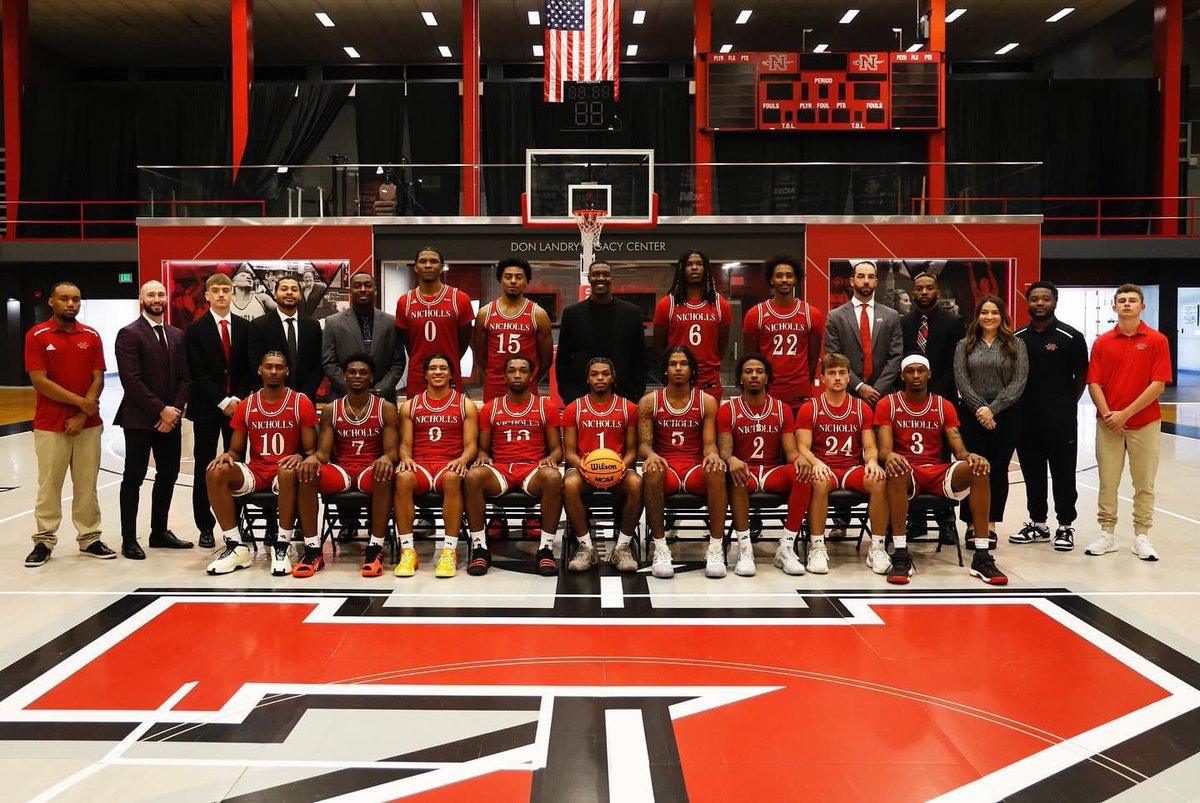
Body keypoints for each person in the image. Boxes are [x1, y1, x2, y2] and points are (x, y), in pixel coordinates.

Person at [876, 355, 1007, 585]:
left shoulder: (943, 405)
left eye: (920, 371)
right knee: (894, 469)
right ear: (902, 375)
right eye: (910, 371)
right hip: (907, 472)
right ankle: (900, 554)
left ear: (929, 374)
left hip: (937, 471)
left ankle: (982, 556)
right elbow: (885, 450)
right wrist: (891, 456)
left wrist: (971, 457)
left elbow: (960, 451)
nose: (915, 376)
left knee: (979, 469)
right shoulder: (888, 404)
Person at [23, 281, 116, 567]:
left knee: (87, 485)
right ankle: (44, 540)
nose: (71, 304)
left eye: (75, 299)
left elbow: (98, 377)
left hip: (88, 425)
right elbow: (40, 381)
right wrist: (81, 404)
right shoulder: (36, 335)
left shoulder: (91, 335)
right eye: (64, 299)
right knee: (49, 485)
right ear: (52, 302)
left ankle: (89, 538)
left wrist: (83, 415)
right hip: (51, 426)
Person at [203, 352, 319, 576]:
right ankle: (236, 547)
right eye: (268, 367)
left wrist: (300, 456)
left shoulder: (300, 402)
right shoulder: (247, 404)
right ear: (260, 370)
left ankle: (282, 545)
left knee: (286, 471)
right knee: (216, 471)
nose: (273, 372)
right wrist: (226, 457)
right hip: (256, 470)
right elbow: (235, 451)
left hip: (285, 472)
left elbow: (311, 451)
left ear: (287, 371)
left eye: (279, 367)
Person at [1084, 284, 1171, 562]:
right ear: (1114, 307)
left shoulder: (1157, 340)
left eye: (1132, 300)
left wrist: (1125, 414)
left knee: (1144, 482)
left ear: (1142, 307)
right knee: (1107, 481)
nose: (1127, 304)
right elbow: (1093, 382)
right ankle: (1106, 533)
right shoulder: (1102, 342)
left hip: (1144, 423)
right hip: (1108, 424)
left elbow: (1157, 385)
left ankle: (1142, 535)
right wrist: (1110, 414)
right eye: (1121, 300)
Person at [299, 354, 399, 578]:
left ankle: (375, 548)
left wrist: (387, 458)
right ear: (344, 376)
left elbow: (392, 452)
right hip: (342, 469)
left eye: (363, 372)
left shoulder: (386, 408)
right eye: (352, 372)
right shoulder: (331, 410)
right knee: (306, 474)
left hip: (370, 469)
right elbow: (324, 453)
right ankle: (312, 549)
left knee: (384, 474)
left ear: (371, 377)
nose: (357, 376)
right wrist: (313, 458)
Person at [114, 280, 192, 560]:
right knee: (133, 478)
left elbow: (185, 377)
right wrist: (161, 410)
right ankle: (128, 539)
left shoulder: (177, 335)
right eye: (151, 294)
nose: (157, 299)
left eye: (160, 294)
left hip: (170, 420)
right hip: (139, 420)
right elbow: (131, 380)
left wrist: (174, 411)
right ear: (141, 299)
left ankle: (159, 532)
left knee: (168, 475)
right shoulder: (129, 334)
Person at [465, 356, 563, 577]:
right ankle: (480, 548)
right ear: (504, 375)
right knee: (472, 477)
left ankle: (545, 549)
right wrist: (481, 456)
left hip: (532, 469)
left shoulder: (545, 407)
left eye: (522, 371)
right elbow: (483, 449)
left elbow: (557, 450)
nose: (517, 375)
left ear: (531, 376)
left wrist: (551, 459)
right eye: (512, 370)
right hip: (501, 468)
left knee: (553, 477)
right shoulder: (491, 408)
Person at [794, 353, 891, 576]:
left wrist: (873, 462)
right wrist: (816, 462)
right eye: (832, 373)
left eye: (842, 373)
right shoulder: (810, 408)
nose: (837, 378)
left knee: (878, 479)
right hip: (824, 466)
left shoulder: (861, 408)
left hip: (851, 468)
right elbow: (802, 446)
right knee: (817, 481)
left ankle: (876, 547)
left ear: (849, 378)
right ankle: (817, 546)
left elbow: (870, 446)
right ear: (823, 378)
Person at [638, 346, 728, 579]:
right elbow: (644, 445)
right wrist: (651, 455)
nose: (678, 368)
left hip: (694, 466)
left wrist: (713, 454)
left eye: (684, 364)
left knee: (717, 470)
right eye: (673, 364)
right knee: (651, 472)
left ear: (692, 369)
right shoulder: (649, 402)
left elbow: (709, 444)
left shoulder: (706, 401)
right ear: (665, 370)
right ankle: (660, 547)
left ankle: (716, 548)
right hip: (665, 466)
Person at [1013, 281, 1089, 551]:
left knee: (1063, 474)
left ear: (1055, 302)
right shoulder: (1018, 337)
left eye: (1045, 299)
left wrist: (1067, 404)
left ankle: (1065, 525)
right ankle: (1038, 523)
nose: (1040, 304)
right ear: (1028, 302)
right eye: (1035, 299)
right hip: (1026, 420)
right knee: (1032, 473)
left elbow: (1081, 376)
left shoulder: (1071, 337)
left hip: (1061, 421)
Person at [718, 354, 807, 577]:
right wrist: (730, 460)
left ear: (767, 377)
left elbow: (791, 452)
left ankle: (786, 546)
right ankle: (745, 548)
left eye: (759, 371)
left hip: (771, 471)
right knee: (735, 476)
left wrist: (800, 461)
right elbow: (725, 452)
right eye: (748, 372)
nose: (754, 375)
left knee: (804, 474)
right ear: (740, 378)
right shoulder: (728, 409)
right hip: (744, 470)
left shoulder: (782, 409)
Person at [953, 295, 1028, 546]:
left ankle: (991, 524)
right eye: (984, 312)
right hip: (972, 415)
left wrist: (993, 410)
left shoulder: (1016, 345)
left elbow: (1018, 383)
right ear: (977, 316)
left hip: (1006, 416)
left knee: (996, 470)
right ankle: (972, 524)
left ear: (1002, 316)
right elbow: (962, 381)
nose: (989, 317)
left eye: (994, 312)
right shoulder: (964, 345)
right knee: (972, 468)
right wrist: (981, 410)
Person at [394, 354, 478, 578]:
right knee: (402, 478)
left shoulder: (465, 404)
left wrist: (462, 460)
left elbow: (471, 445)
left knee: (452, 479)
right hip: (420, 464)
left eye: (443, 368)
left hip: (448, 463)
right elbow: (404, 444)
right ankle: (408, 550)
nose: (438, 372)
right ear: (425, 374)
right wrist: (405, 458)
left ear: (451, 374)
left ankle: (449, 550)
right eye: (432, 368)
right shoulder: (410, 406)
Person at [185, 272, 253, 549]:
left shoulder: (245, 328)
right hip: (207, 409)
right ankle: (204, 525)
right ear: (208, 296)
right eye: (217, 291)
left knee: (235, 465)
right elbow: (196, 372)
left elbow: (250, 369)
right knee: (205, 466)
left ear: (233, 294)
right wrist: (222, 401)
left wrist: (236, 399)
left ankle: (235, 524)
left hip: (238, 408)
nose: (222, 295)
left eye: (227, 290)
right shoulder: (196, 330)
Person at [561, 357, 642, 572]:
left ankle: (623, 546)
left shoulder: (629, 408)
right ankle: (585, 547)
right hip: (584, 471)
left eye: (605, 373)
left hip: (618, 471)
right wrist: (584, 467)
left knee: (637, 483)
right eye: (594, 374)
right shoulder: (573, 409)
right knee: (569, 484)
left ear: (613, 378)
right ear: (587, 379)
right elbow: (568, 452)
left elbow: (633, 450)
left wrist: (622, 466)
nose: (600, 378)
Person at [555, 261, 648, 405]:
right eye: (596, 274)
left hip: (624, 395)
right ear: (589, 278)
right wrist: (567, 394)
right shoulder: (572, 314)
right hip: (580, 395)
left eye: (605, 274)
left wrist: (636, 392)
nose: (600, 278)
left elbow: (640, 358)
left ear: (612, 278)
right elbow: (563, 359)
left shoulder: (631, 313)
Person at [741, 255, 825, 414]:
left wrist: (803, 382)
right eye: (779, 276)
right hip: (767, 391)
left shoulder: (811, 314)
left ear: (796, 279)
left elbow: (813, 360)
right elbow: (751, 358)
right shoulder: (755, 314)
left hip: (799, 392)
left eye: (789, 275)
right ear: (771, 280)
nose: (784, 280)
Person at [394, 247, 473, 398]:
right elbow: (406, 342)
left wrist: (449, 362)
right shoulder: (405, 301)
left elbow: (464, 341)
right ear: (416, 267)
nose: (428, 265)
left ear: (442, 267)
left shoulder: (460, 298)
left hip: (449, 375)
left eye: (434, 261)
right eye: (423, 261)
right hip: (418, 377)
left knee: (452, 420)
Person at [472, 257, 554, 402]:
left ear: (526, 281)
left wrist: (530, 378)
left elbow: (546, 359)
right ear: (500, 280)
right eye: (508, 277)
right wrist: (493, 376)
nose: (513, 281)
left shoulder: (538, 314)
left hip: (526, 387)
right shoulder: (485, 313)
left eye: (519, 277)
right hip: (494, 387)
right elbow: (479, 355)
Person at [654, 250, 732, 401]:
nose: (694, 268)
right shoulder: (667, 304)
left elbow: (721, 347)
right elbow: (660, 348)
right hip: (678, 382)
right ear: (682, 270)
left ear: (707, 270)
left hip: (709, 382)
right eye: (689, 264)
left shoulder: (721, 304)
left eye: (699, 264)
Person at [825, 260, 903, 407]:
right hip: (848, 394)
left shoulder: (891, 316)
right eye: (861, 276)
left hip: (883, 396)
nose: (866, 281)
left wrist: (877, 389)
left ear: (876, 281)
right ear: (852, 281)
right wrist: (859, 386)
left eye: (871, 277)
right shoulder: (835, 317)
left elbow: (895, 357)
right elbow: (834, 357)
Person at [321, 270, 405, 402]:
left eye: (367, 285)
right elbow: (329, 362)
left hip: (383, 398)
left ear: (375, 290)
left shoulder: (391, 322)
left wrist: (382, 388)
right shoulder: (333, 322)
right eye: (357, 285)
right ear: (350, 291)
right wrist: (351, 388)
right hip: (344, 397)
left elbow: (398, 362)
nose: (363, 289)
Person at [248, 275, 324, 400]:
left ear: (300, 295)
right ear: (274, 294)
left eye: (294, 290)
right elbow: (255, 363)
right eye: (284, 289)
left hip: (305, 398)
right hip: (270, 398)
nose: (289, 292)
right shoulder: (259, 325)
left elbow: (317, 364)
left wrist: (305, 394)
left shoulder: (312, 326)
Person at [900, 272, 965, 401]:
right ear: (913, 294)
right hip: (908, 395)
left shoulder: (954, 322)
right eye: (919, 289)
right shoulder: (903, 323)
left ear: (938, 293)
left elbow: (956, 363)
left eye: (929, 288)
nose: (924, 292)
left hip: (944, 396)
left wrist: (936, 394)